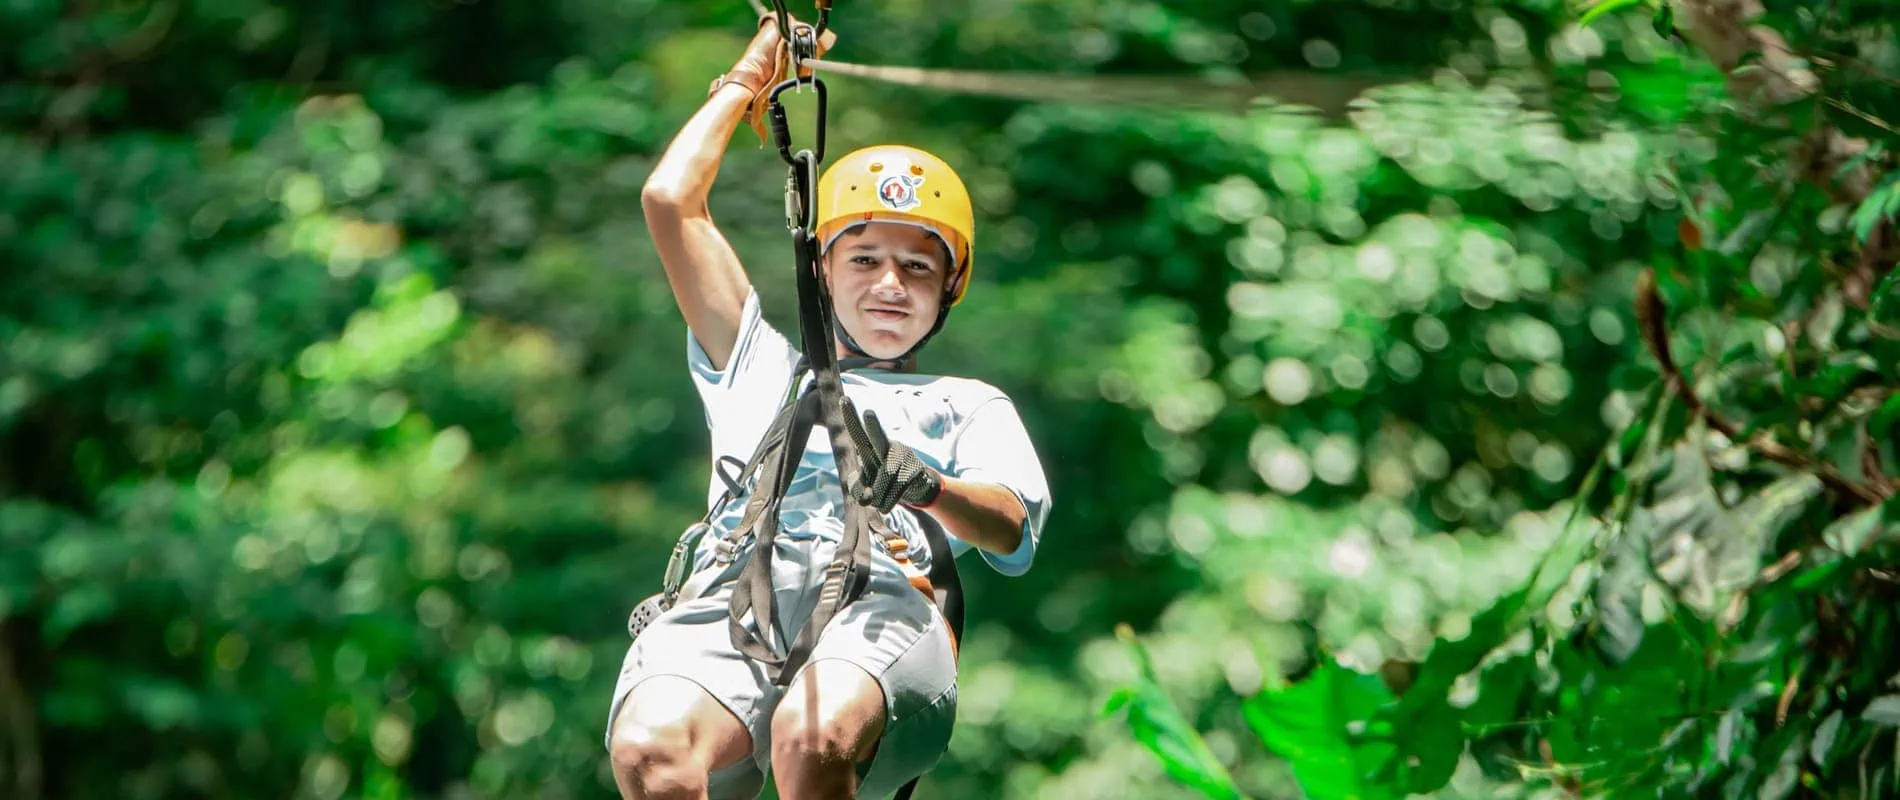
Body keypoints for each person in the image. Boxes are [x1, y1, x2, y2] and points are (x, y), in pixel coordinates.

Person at [605, 13, 1052, 800]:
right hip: (737, 600)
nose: (889, 284)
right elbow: (672, 201)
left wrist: (929, 488)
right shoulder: (757, 368)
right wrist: (755, 72)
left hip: (882, 607)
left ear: (948, 291)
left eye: (918, 268)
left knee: (811, 734)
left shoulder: (965, 403)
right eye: (866, 259)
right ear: (822, 267)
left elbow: (1011, 526)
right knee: (651, 749)